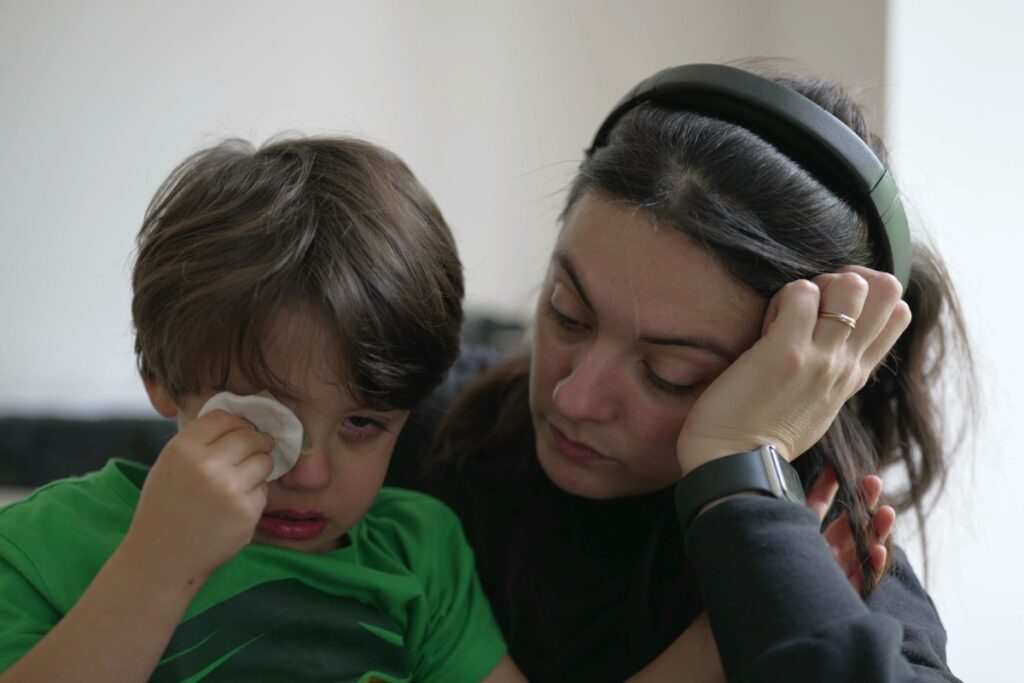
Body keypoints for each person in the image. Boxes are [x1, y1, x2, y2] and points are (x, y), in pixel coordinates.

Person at [413, 63, 970, 682]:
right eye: (567, 314)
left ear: (796, 372)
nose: (576, 398)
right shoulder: (400, 426)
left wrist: (737, 470)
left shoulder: (833, 553)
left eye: (670, 373)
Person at [0, 137, 525, 681]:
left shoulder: (421, 554)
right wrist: (157, 566)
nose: (308, 473)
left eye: (362, 423)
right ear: (160, 376)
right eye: (265, 421)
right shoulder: (46, 543)